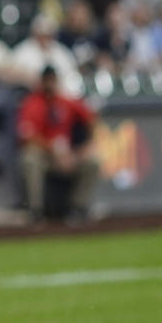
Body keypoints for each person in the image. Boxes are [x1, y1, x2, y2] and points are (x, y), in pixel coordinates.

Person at [16, 66, 100, 223]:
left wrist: (85, 147)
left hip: (68, 154)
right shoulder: (32, 103)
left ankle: (78, 208)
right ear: (41, 82)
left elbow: (91, 119)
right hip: (45, 155)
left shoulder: (66, 101)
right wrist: (52, 150)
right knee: (29, 159)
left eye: (52, 80)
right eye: (46, 80)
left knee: (93, 161)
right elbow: (27, 135)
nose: (49, 84)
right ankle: (36, 211)